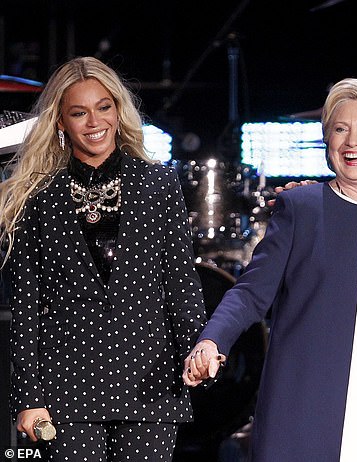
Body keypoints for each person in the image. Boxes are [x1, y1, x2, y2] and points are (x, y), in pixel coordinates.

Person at [183, 77, 357, 461]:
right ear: (327, 142)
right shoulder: (301, 207)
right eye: (340, 129)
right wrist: (212, 340)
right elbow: (251, 292)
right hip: (304, 417)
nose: (353, 141)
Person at [0, 56, 208, 460]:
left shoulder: (159, 184)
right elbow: (26, 306)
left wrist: (198, 352)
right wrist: (28, 396)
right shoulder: (36, 197)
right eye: (79, 112)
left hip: (150, 383)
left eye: (104, 107)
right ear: (61, 121)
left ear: (118, 110)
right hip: (67, 389)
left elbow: (181, 284)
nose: (94, 122)